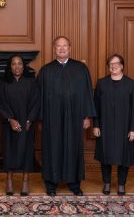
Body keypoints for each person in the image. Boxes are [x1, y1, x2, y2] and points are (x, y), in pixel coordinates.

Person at [37, 36, 96, 196]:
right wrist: (41, 119)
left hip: (75, 116)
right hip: (52, 118)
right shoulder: (46, 70)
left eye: (65, 46)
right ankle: (51, 184)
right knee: (52, 148)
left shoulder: (81, 68)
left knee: (73, 147)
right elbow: (39, 97)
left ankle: (74, 183)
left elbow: (87, 93)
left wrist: (87, 116)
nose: (62, 49)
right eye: (58, 46)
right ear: (54, 49)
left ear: (70, 48)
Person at [92, 54, 134, 196]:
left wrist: (133, 129)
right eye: (111, 64)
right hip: (105, 126)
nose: (114, 66)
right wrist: (96, 125)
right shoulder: (101, 83)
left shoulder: (131, 84)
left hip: (125, 127)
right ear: (108, 66)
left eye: (117, 63)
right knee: (105, 156)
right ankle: (106, 183)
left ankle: (121, 184)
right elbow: (96, 107)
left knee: (124, 157)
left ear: (122, 66)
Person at [0, 55, 39, 196]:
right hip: (9, 124)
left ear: (24, 66)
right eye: (14, 64)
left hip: (27, 123)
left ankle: (25, 182)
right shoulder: (3, 83)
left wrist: (29, 120)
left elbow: (36, 103)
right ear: (10, 67)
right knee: (9, 152)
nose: (17, 67)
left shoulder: (31, 82)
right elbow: (0, 103)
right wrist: (10, 119)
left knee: (26, 152)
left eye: (19, 64)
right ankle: (9, 180)